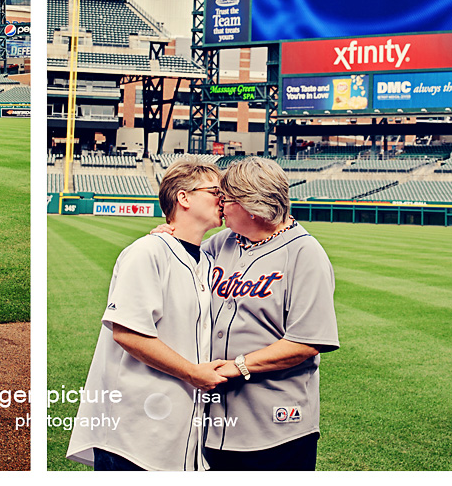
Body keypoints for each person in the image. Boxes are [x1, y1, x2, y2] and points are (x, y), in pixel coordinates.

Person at [66, 158, 227, 471]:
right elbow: (128, 333)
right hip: (131, 435)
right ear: (184, 197)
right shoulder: (148, 252)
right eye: (215, 191)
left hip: (178, 432)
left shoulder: (206, 261)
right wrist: (194, 373)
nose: (223, 199)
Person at [200, 156, 339, 471]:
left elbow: (306, 342)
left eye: (227, 199)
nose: (220, 205)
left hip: (276, 428)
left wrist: (238, 366)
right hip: (211, 423)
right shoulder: (221, 243)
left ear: (252, 206)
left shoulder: (305, 254)